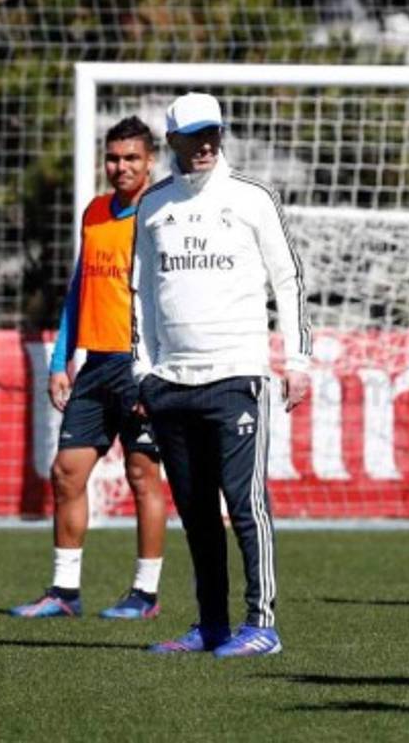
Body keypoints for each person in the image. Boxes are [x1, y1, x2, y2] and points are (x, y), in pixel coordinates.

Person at [131, 92, 311, 657]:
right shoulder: (153, 205)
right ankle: (211, 624)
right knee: (195, 512)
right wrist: (144, 369)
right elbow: (140, 294)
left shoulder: (253, 198)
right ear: (173, 142)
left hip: (237, 374)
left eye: (213, 132)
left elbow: (289, 281)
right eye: (193, 135)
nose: (205, 144)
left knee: (245, 504)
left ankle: (262, 624)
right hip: (170, 382)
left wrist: (297, 359)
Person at [10, 116, 167, 620]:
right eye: (114, 158)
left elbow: (171, 300)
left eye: (132, 158)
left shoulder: (165, 214)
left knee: (143, 476)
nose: (120, 167)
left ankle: (145, 595)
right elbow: (80, 289)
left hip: (141, 365)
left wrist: (159, 372)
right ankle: (64, 591)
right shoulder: (96, 212)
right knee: (66, 473)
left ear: (151, 161)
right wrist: (61, 359)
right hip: (95, 364)